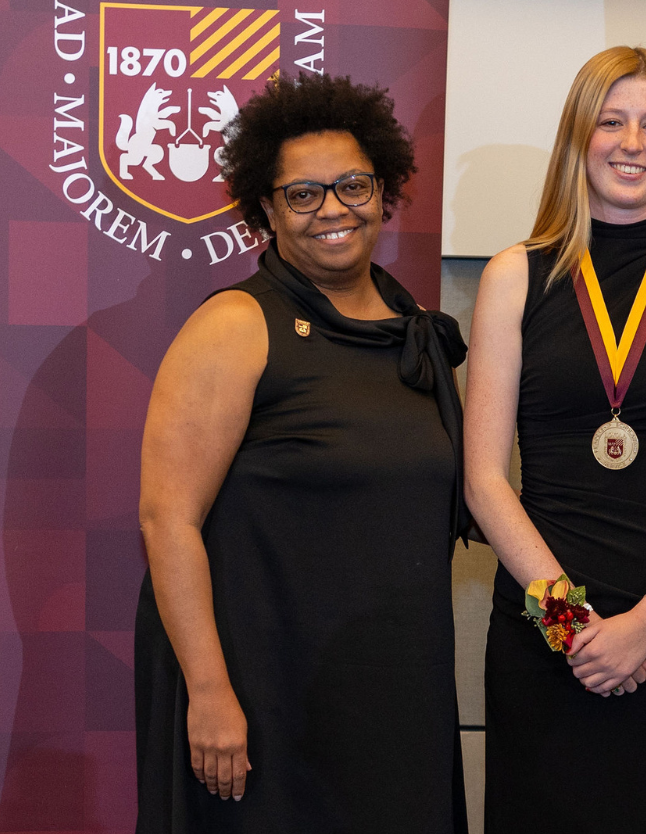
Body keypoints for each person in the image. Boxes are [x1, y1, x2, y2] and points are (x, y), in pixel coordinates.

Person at [134, 73, 470, 833]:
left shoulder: (416, 330)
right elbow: (168, 521)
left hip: (391, 690)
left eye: (352, 185)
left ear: (384, 192)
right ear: (265, 209)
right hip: (259, 690)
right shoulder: (235, 326)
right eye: (303, 194)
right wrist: (211, 693)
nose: (333, 210)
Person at [462, 46, 646, 834]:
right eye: (611, 121)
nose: (632, 141)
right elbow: (484, 479)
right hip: (545, 634)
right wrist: (574, 630)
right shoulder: (513, 276)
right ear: (577, 141)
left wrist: (644, 626)